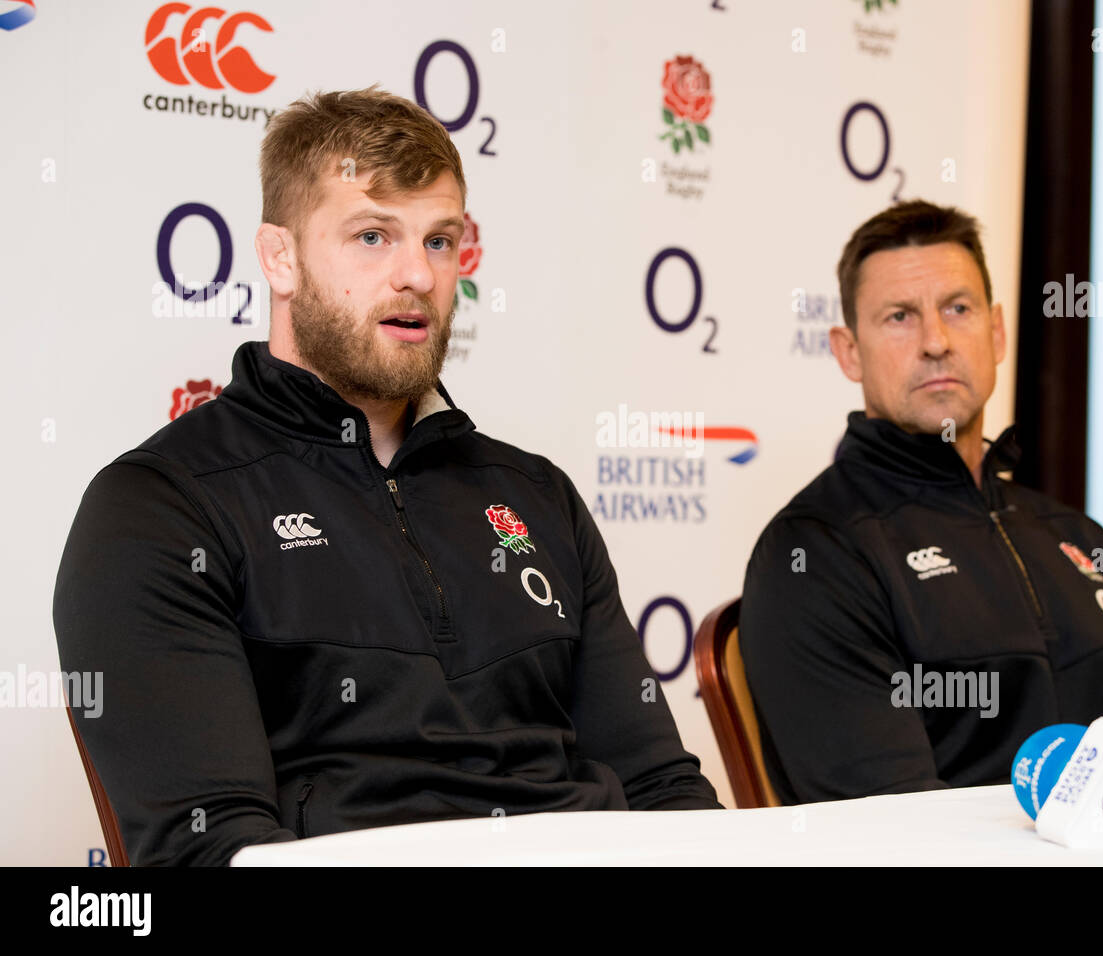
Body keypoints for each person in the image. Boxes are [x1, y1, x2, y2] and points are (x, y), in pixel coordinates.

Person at [53, 86, 720, 866]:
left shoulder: (538, 496)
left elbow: (662, 791)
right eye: (373, 236)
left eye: (440, 241)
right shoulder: (161, 507)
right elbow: (214, 851)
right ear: (280, 258)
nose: (417, 276)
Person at [739, 200, 1103, 805]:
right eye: (900, 316)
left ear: (998, 330)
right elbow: (889, 828)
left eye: (958, 309)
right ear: (848, 351)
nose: (936, 341)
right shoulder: (815, 551)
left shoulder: (1076, 534)